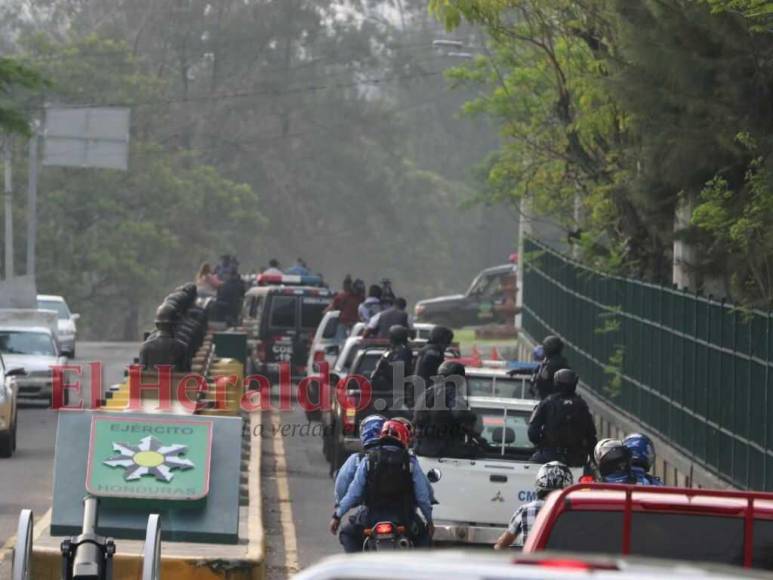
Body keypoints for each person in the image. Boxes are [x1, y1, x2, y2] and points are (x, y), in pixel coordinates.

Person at [330, 420, 434, 552]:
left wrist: (337, 516)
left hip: (370, 518)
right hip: (404, 519)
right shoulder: (411, 462)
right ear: (404, 438)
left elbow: (353, 493)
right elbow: (422, 497)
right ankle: (417, 572)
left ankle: (356, 569)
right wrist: (429, 521)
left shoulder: (369, 460)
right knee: (424, 538)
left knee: (347, 534)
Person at [494, 461, 573, 549]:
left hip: (531, 561)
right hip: (563, 562)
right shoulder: (573, 513)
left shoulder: (525, 510)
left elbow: (500, 545)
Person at [528, 369, 596, 467]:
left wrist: (542, 444)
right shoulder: (582, 405)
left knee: (530, 468)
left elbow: (532, 433)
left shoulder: (547, 403)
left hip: (549, 456)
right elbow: (591, 435)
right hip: (576, 459)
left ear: (556, 383)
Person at [413, 361, 481, 458]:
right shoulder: (452, 392)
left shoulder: (426, 392)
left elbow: (415, 418)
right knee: (479, 452)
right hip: (444, 449)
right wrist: (472, 417)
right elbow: (459, 413)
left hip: (420, 448)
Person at [334, 415, 385, 505]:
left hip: (370, 512)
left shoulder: (358, 459)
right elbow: (418, 493)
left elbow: (342, 483)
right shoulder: (407, 458)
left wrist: (341, 503)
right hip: (401, 514)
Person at [139, 303, 189, 372]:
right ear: (174, 325)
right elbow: (186, 374)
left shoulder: (145, 347)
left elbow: (141, 373)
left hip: (151, 383)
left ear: (156, 325)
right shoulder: (182, 348)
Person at [369, 326, 414, 403]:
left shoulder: (404, 351)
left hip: (398, 388)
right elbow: (380, 364)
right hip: (388, 388)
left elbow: (400, 370)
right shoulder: (390, 350)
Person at [523, 335, 570, 399]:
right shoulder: (548, 362)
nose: (544, 350)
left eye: (545, 347)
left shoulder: (556, 365)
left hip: (552, 402)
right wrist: (518, 371)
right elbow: (536, 371)